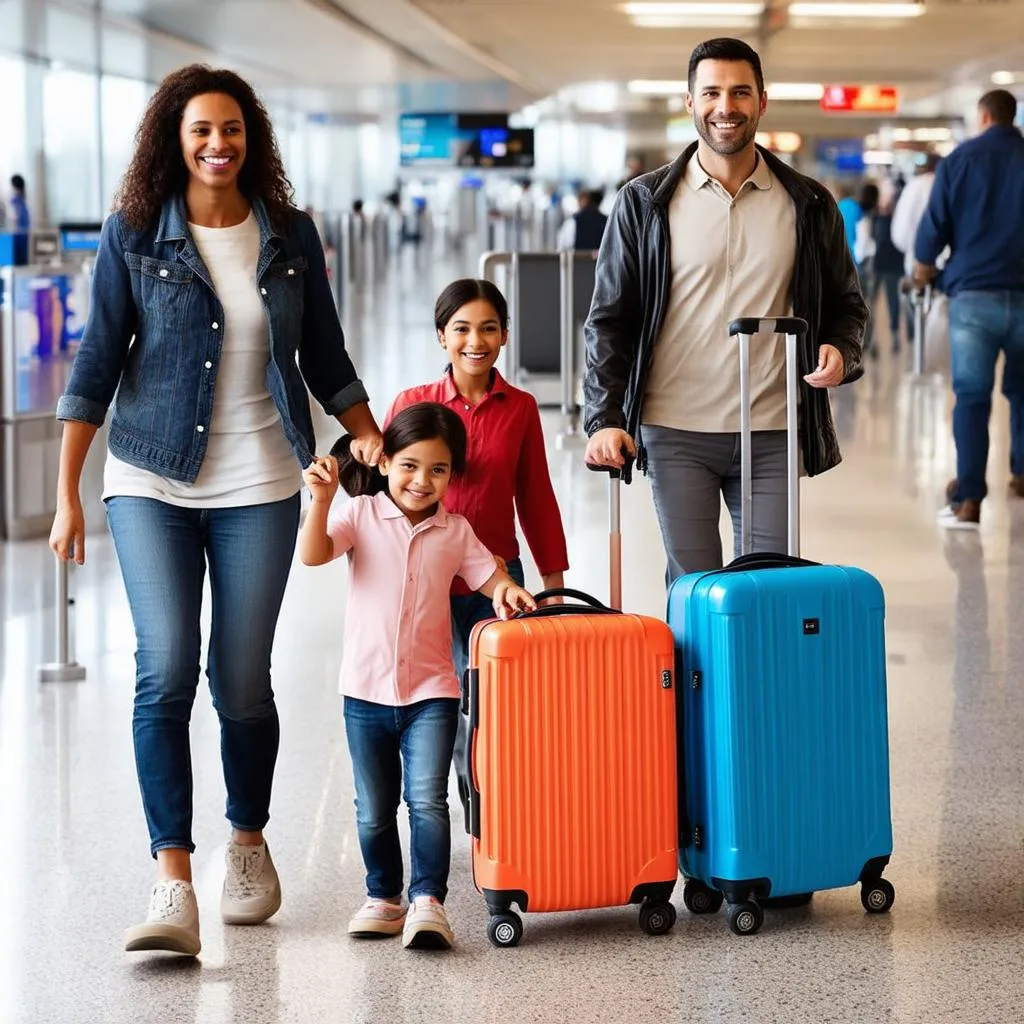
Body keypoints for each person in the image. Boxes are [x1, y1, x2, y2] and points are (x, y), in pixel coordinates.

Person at [49, 64, 383, 957]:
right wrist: (68, 498)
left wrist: (371, 438)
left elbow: (326, 355)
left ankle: (246, 843)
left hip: (262, 481)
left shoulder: (291, 234)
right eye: (201, 130)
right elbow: (93, 365)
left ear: (251, 138)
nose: (217, 145)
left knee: (239, 679)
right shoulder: (133, 233)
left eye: (232, 130)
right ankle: (170, 879)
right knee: (162, 668)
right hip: (149, 477)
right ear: (174, 138)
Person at [583, 37, 867, 582]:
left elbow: (846, 305)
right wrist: (603, 417)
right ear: (689, 102)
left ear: (763, 101)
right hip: (674, 426)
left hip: (774, 424)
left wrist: (841, 349)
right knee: (694, 587)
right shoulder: (645, 203)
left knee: (768, 586)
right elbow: (609, 318)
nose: (725, 106)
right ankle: (699, 675)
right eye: (711, 92)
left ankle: (755, 673)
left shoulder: (807, 203)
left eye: (740, 92)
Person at [298, 403, 536, 950]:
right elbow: (313, 555)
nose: (421, 480)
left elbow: (487, 575)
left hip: (432, 692)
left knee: (426, 799)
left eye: (438, 470)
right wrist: (321, 500)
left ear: (452, 475)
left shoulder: (455, 531)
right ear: (386, 465)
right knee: (374, 807)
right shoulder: (358, 514)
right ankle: (383, 895)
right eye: (409, 465)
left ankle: (428, 898)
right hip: (364, 691)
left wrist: (507, 591)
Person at [384, 279, 569, 794]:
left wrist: (551, 586)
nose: (475, 340)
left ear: (505, 335)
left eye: (488, 328)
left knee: (494, 697)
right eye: (461, 328)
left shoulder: (521, 407)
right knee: (441, 698)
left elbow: (535, 497)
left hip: (498, 580)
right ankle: (434, 800)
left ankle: (488, 810)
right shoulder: (412, 403)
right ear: (441, 335)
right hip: (428, 580)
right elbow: (385, 492)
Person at [914, 89, 1024, 529]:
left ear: (983, 116)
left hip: (974, 297)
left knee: (972, 398)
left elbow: (934, 226)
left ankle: (970, 499)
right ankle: (1021, 475)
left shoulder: (960, 160)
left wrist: (923, 270)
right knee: (1022, 392)